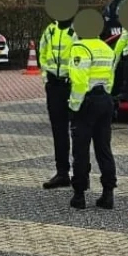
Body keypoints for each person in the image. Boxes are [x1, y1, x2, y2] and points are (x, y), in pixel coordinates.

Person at [67, 34, 116, 210]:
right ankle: (108, 193)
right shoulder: (106, 48)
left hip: (87, 102)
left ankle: (79, 195)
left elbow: (79, 81)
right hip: (105, 99)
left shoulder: (80, 47)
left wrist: (74, 106)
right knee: (104, 149)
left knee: (81, 150)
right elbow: (111, 78)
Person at [37, 17, 77, 189]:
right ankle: (62, 173)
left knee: (78, 132)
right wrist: (47, 76)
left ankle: (80, 174)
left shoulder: (78, 31)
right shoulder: (50, 30)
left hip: (73, 86)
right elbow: (42, 53)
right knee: (58, 131)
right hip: (54, 86)